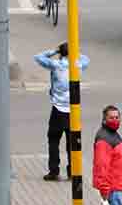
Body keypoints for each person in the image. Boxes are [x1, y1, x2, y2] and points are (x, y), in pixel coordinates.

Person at [36, 43, 89, 181]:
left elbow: (38, 57)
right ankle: (72, 171)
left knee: (53, 140)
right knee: (72, 143)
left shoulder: (56, 65)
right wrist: (75, 52)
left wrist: (53, 51)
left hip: (58, 109)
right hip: (73, 109)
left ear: (61, 53)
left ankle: (54, 171)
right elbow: (86, 59)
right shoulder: (79, 64)